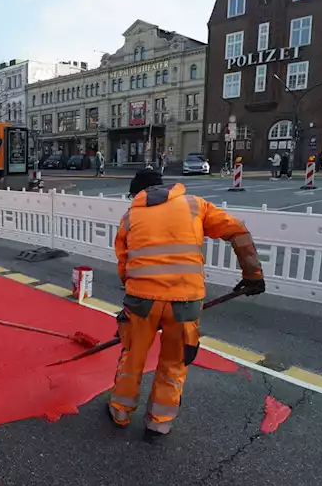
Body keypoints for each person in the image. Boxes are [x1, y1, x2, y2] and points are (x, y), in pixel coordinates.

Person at [110, 169, 265, 440]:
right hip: (185, 302)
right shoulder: (195, 205)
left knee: (132, 357)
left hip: (141, 301)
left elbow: (124, 266)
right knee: (174, 363)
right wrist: (252, 275)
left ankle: (120, 412)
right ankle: (159, 422)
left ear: (138, 193)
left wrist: (134, 294)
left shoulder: (130, 216)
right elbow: (237, 231)